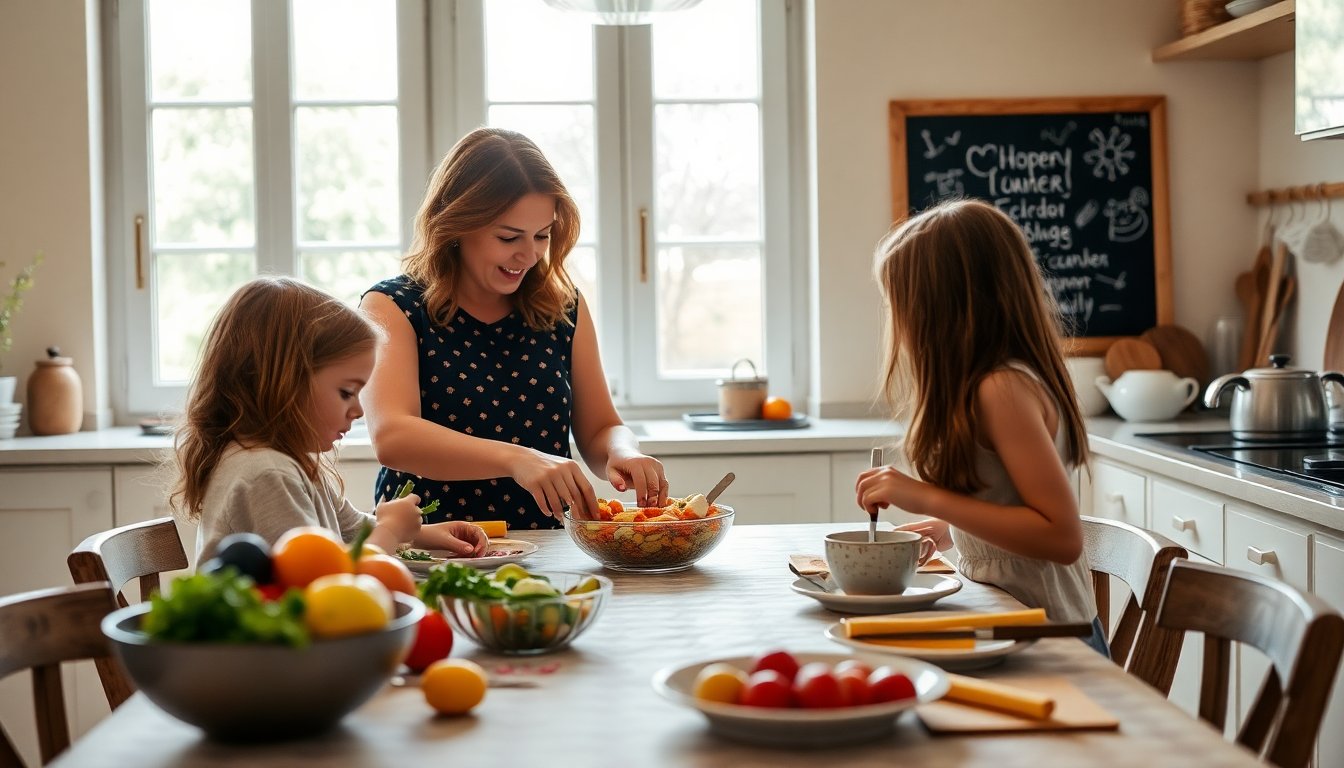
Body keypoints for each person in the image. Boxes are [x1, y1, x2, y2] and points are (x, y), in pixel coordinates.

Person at [359, 127, 667, 530]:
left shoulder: (563, 306)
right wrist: (518, 458)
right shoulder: (392, 306)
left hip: (542, 548)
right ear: (457, 225)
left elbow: (599, 428)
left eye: (542, 235)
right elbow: (393, 437)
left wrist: (623, 450)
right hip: (427, 546)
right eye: (508, 237)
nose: (529, 254)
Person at [855, 198, 1108, 657]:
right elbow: (1010, 506)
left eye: (903, 306)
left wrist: (926, 495)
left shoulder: (1002, 389)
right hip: (1014, 625)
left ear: (944, 308)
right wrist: (947, 526)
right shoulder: (995, 384)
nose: (900, 324)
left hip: (1052, 641)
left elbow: (1060, 536)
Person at [172, 276, 489, 561]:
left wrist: (421, 533)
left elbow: (352, 529)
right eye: (346, 392)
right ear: (287, 382)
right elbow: (325, 584)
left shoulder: (292, 461)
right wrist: (390, 532)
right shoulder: (265, 474)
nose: (359, 411)